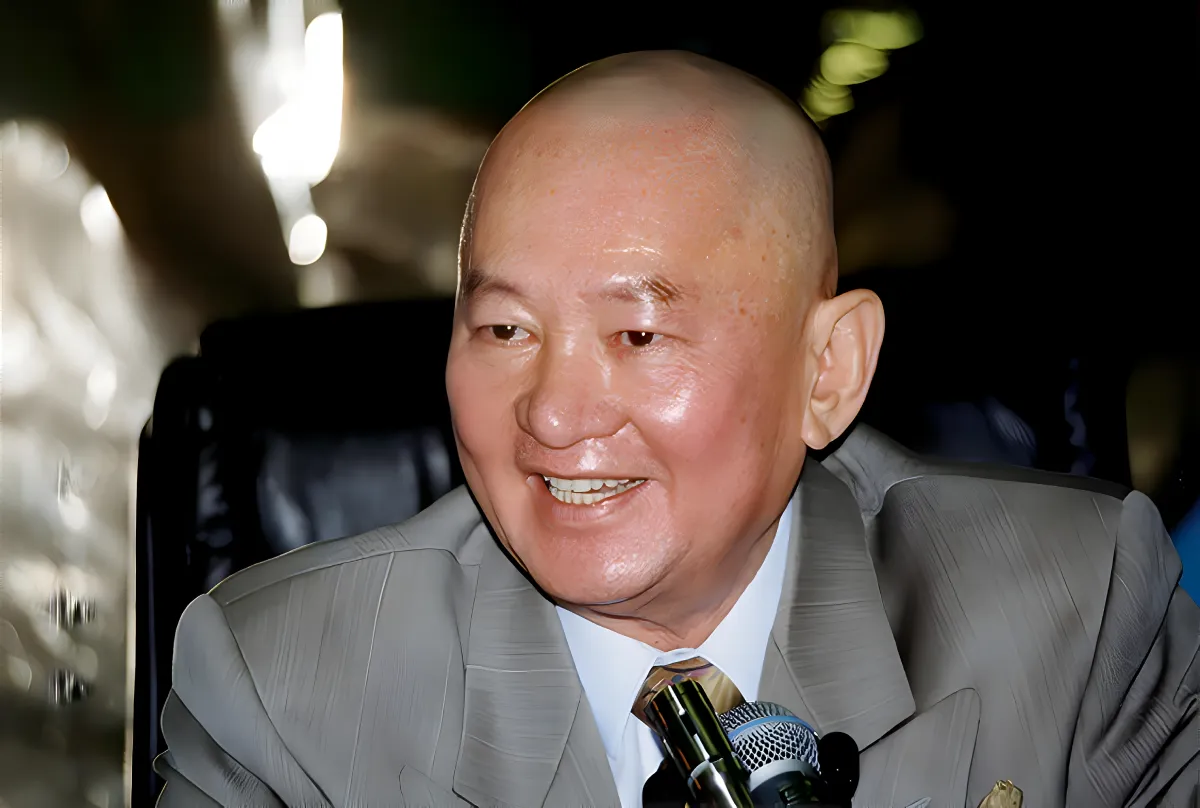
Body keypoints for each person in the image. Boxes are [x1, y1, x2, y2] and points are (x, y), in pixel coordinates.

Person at [154, 52, 1199, 807]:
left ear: (828, 370)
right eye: (506, 328)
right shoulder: (284, 688)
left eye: (640, 335)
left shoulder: (1076, 613)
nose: (553, 412)